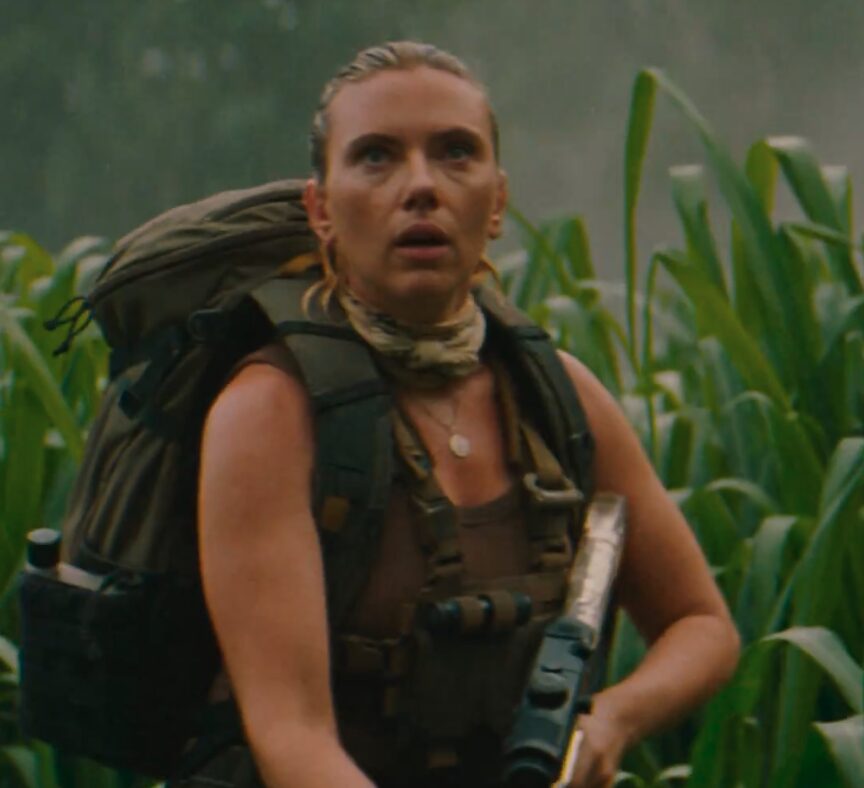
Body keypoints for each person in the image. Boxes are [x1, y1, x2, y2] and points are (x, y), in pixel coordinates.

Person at [194, 41, 740, 788]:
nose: (421, 186)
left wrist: (610, 720)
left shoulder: (558, 396)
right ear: (321, 210)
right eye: (376, 157)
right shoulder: (269, 413)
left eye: (455, 152)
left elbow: (702, 626)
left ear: (498, 201)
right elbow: (292, 739)